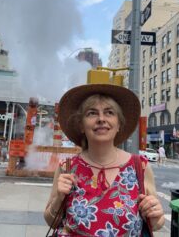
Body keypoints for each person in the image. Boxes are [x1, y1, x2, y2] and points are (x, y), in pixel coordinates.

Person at [44, 83, 165, 236]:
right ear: (81, 125)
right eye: (92, 113)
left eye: (109, 113)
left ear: (119, 124)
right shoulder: (67, 168)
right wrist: (59, 198)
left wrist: (156, 216)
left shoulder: (139, 167)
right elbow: (51, 221)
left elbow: (156, 222)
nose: (101, 119)